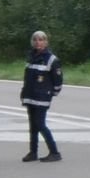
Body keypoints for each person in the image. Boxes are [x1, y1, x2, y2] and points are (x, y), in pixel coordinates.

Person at [21, 30, 64, 162]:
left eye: (41, 40)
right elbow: (27, 78)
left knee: (40, 124)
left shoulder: (51, 59)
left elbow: (58, 80)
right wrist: (24, 93)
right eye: (35, 40)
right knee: (32, 126)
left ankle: (54, 152)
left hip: (42, 97)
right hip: (30, 96)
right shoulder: (31, 57)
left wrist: (52, 93)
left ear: (46, 42)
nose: (38, 42)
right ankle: (33, 152)